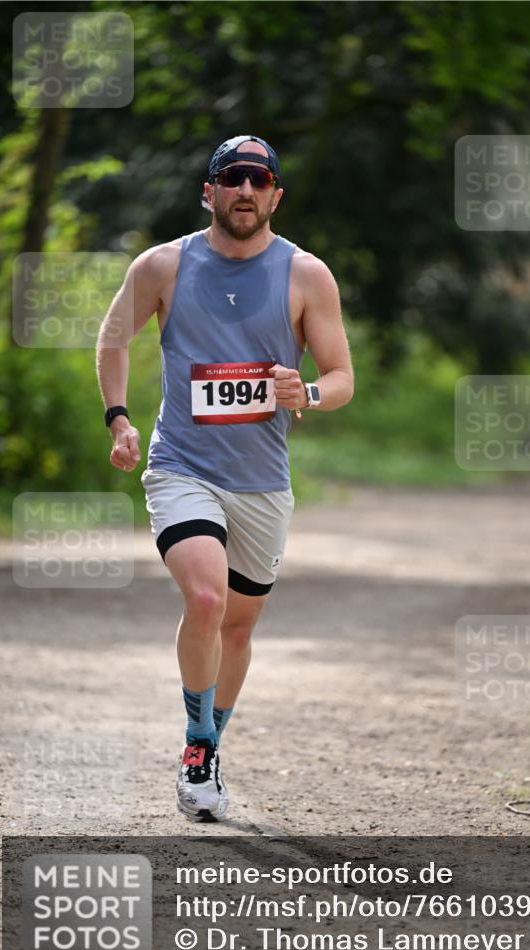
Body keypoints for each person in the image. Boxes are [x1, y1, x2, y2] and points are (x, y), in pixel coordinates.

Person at [96, 135, 354, 821]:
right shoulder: (163, 266)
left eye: (257, 179)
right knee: (206, 600)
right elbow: (113, 335)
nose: (244, 189)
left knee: (238, 627)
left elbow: (341, 376)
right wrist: (119, 420)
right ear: (208, 191)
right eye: (230, 177)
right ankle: (197, 744)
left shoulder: (307, 275)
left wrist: (312, 396)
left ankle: (212, 743)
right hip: (181, 465)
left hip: (262, 482)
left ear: (275, 195)